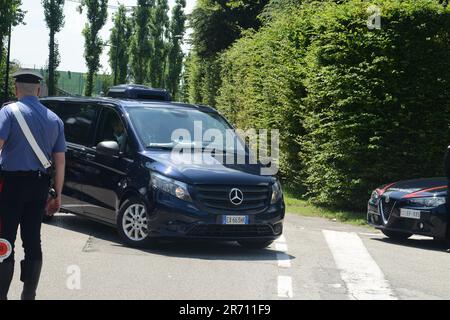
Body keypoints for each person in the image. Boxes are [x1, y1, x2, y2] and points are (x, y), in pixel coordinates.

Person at [0, 69, 66, 300]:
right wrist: (57, 194)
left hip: (10, 185)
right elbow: (60, 160)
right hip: (39, 186)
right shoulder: (54, 119)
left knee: (4, 239)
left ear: (16, 89)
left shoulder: (8, 112)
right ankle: (29, 295)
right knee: (32, 240)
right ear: (38, 90)